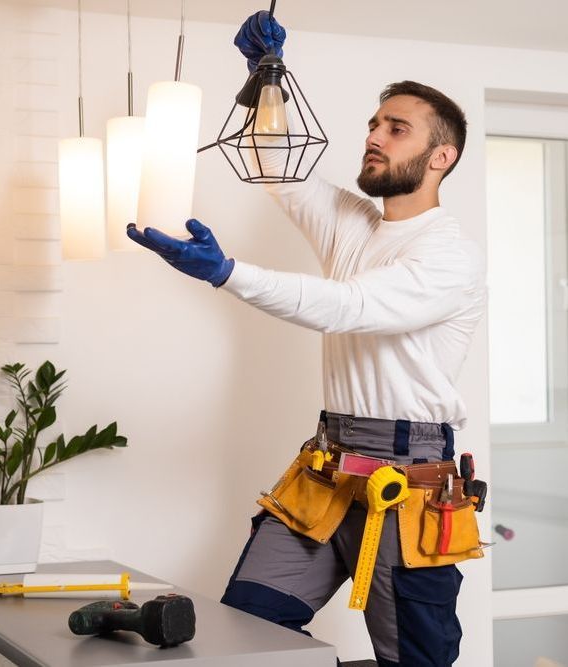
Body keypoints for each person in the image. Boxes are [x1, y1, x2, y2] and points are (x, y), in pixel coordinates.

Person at [127, 11, 486, 667]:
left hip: (408, 485)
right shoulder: (354, 223)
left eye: (395, 128)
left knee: (417, 660)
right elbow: (276, 165)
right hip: (328, 467)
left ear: (442, 157)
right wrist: (266, 76)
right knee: (245, 636)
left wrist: (228, 272)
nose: (373, 136)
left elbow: (349, 307)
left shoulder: (448, 255)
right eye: (374, 124)